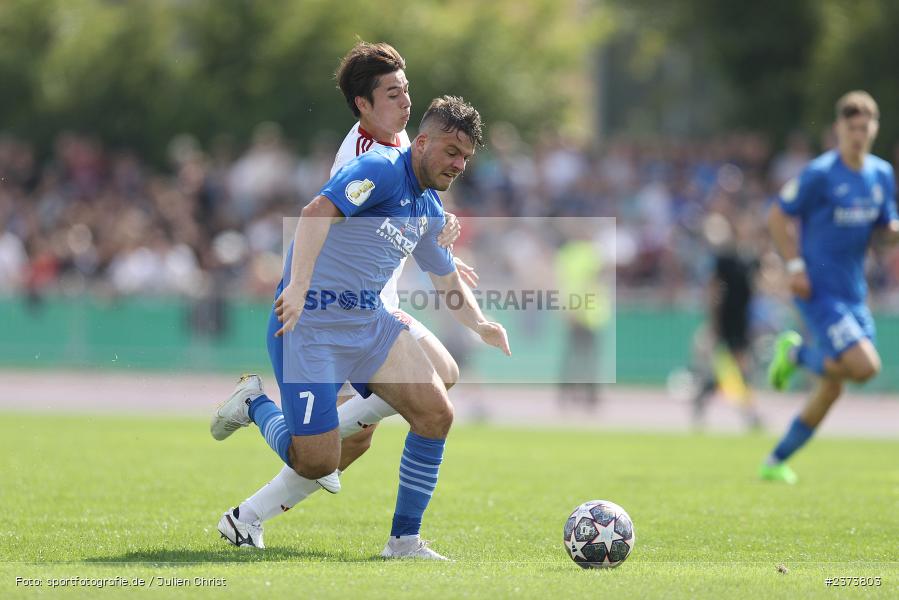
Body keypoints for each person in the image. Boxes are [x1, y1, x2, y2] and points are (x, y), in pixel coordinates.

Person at [211, 96, 511, 559]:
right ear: (423, 141)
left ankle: (404, 542)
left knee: (436, 412)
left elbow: (446, 277)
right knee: (316, 461)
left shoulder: (428, 208)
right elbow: (315, 213)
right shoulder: (382, 168)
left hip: (369, 323)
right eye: (451, 152)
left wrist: (481, 323)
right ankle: (254, 403)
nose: (458, 164)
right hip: (311, 323)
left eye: (466, 158)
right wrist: (298, 285)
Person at [762, 90, 899, 483]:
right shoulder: (820, 174)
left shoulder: (881, 175)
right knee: (865, 366)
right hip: (818, 290)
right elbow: (777, 215)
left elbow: (883, 232)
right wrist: (794, 265)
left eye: (865, 127)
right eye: (851, 126)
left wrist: (892, 231)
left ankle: (774, 461)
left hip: (854, 293)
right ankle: (797, 356)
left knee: (832, 389)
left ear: (874, 129)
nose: (858, 134)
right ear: (839, 128)